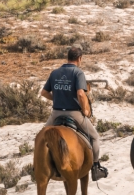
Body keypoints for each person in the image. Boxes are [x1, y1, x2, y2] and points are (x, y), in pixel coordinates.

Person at [40, 46, 109, 181]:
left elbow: (44, 93)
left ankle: (37, 166)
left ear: (67, 57)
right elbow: (80, 94)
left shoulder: (55, 73)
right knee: (95, 137)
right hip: (73, 113)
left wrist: (58, 98)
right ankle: (96, 168)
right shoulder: (78, 73)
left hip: (56, 114)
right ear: (79, 58)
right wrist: (86, 110)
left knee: (41, 137)